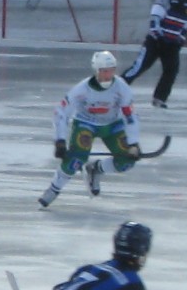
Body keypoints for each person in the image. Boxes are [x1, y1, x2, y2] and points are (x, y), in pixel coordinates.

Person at [39, 50, 142, 207]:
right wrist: (60, 140)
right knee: (75, 159)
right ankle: (54, 188)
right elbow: (61, 112)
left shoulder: (122, 88)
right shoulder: (81, 90)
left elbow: (130, 115)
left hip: (113, 125)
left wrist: (133, 143)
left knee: (126, 162)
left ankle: (96, 169)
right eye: (104, 71)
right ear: (96, 71)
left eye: (112, 71)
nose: (108, 75)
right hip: (86, 123)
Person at [121, 0, 187, 109]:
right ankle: (117, 89)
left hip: (172, 45)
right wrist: (158, 36)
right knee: (139, 67)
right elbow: (155, 19)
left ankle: (160, 98)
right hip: (156, 42)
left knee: (171, 71)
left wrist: (180, 41)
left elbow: (185, 27)